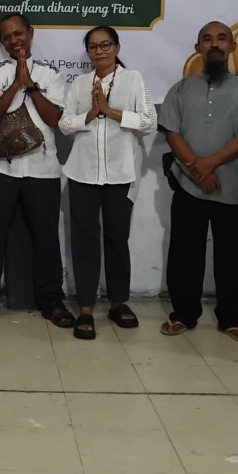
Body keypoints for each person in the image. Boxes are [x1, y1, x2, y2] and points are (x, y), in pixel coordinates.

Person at [0, 13, 74, 328]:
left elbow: (55, 119)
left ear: (30, 33)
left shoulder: (51, 74)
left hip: (43, 170)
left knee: (46, 237)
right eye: (6, 37)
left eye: (18, 33)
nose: (14, 40)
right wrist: (16, 83)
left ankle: (52, 301)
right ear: (2, 42)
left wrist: (31, 87)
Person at [157, 21, 238, 343]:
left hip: (229, 188)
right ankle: (183, 315)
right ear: (197, 48)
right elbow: (171, 132)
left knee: (231, 256)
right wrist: (197, 168)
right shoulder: (181, 89)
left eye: (221, 38)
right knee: (184, 254)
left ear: (231, 46)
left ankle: (231, 318)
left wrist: (209, 164)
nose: (215, 44)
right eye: (207, 39)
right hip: (188, 186)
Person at [59, 26, 156, 340]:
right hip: (82, 173)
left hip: (121, 174)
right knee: (83, 241)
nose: (99, 51)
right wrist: (90, 114)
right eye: (93, 47)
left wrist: (110, 112)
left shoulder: (133, 79)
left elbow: (148, 122)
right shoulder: (80, 83)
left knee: (117, 239)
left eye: (105, 45)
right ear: (88, 51)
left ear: (117, 47)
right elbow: (64, 124)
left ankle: (118, 303)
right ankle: (85, 308)